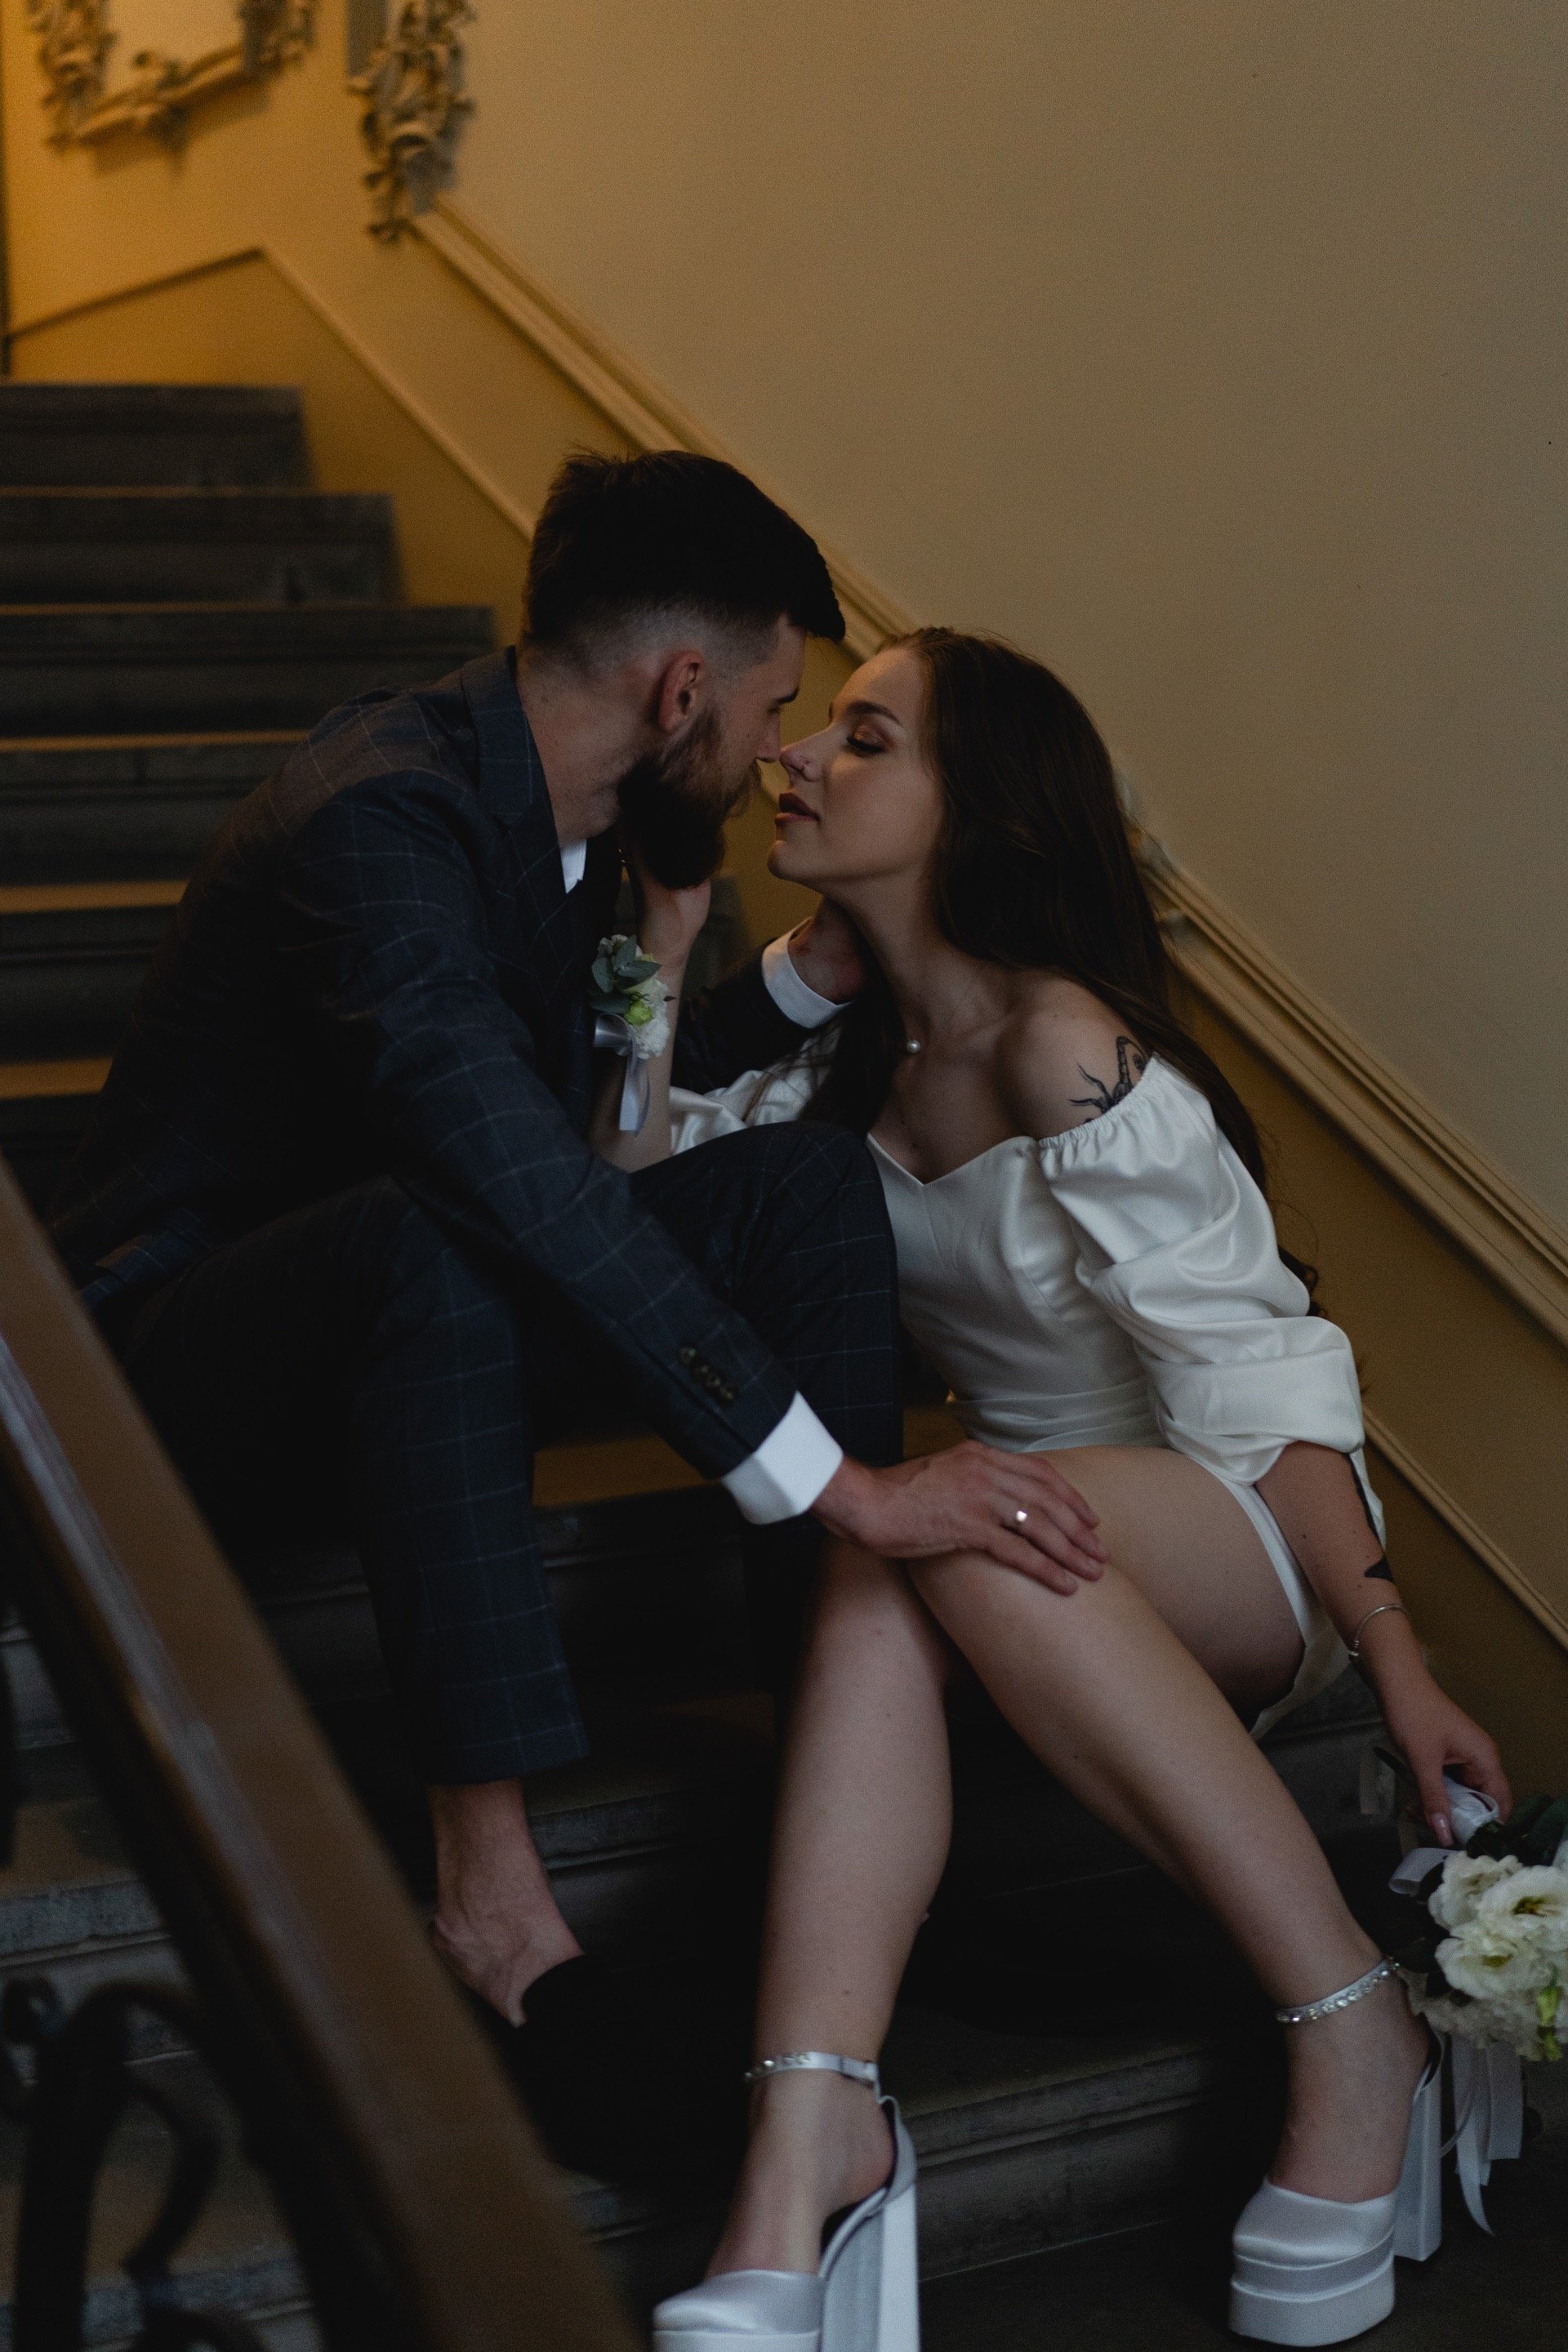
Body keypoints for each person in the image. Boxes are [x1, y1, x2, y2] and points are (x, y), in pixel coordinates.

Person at [47, 466, 1107, 2169]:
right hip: (182, 1372)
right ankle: (498, 1921)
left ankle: (842, 1817)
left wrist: (797, 979)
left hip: (423, 1339)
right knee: (440, 1231)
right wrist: (843, 1484)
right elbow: (505, 1167)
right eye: (773, 704)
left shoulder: (597, 819)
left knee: (811, 1192)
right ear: (679, 690)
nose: (780, 750)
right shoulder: (375, 819)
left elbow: (636, 1089)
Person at [640, 630, 1509, 2348]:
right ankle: (806, 2127)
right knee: (900, 1545)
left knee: (948, 1506)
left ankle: (1352, 2022)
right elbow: (625, 1181)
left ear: (980, 808)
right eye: (814, 732)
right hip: (1017, 1541)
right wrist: (742, 963)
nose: (794, 759)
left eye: (865, 738)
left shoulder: (1067, 1049)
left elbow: (1263, 1386)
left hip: (1230, 1527)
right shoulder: (846, 1078)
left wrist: (1393, 1656)